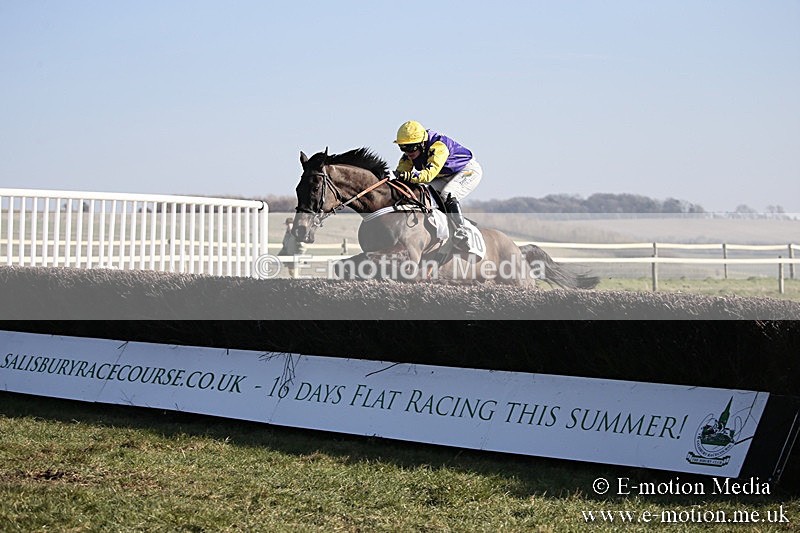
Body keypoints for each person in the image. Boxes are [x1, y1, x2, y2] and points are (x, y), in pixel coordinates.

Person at [393, 120, 482, 247]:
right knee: (422, 194)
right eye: (403, 147)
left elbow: (427, 175)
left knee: (447, 194)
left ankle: (461, 231)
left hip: (467, 171)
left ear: (422, 143)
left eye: (411, 147)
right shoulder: (411, 153)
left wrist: (407, 176)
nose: (408, 152)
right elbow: (401, 173)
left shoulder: (438, 147)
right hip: (444, 174)